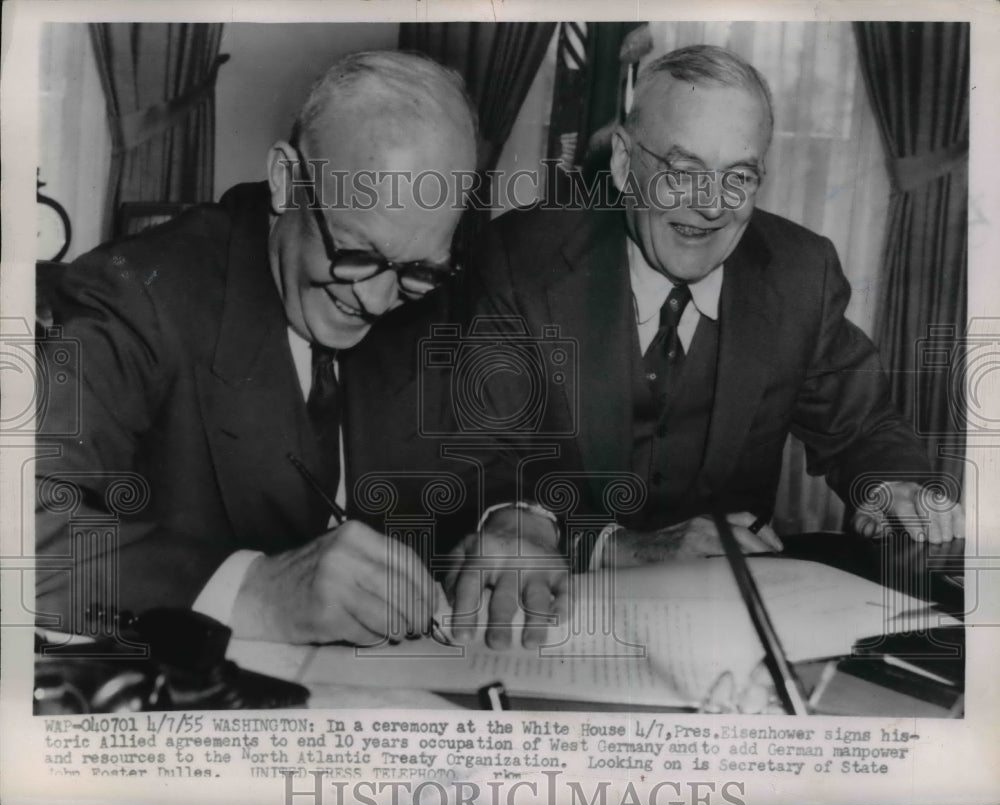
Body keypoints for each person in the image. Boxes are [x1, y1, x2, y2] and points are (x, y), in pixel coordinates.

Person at [35, 50, 516, 647]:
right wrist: (250, 591)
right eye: (355, 254)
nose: (374, 299)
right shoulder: (138, 294)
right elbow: (28, 531)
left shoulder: (421, 301)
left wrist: (514, 523)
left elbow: (488, 462)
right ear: (288, 181)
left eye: (416, 269)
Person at [457, 44, 963, 598]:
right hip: (558, 599)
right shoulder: (522, 257)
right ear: (625, 163)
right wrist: (611, 548)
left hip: (726, 609)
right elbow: (476, 459)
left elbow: (863, 427)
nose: (712, 206)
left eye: (738, 176)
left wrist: (891, 485)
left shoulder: (799, 273)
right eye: (683, 169)